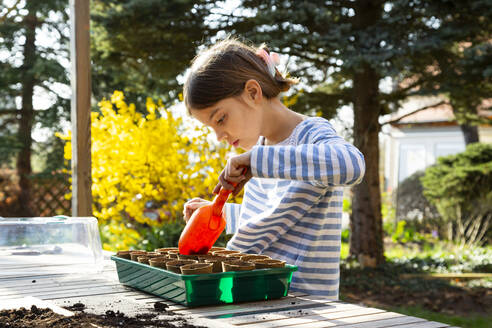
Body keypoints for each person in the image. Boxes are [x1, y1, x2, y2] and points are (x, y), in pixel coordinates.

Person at [182, 37, 365, 298]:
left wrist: (259, 162)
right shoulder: (261, 149)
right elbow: (274, 217)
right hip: (258, 294)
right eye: (212, 128)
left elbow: (353, 164)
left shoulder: (310, 133)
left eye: (221, 118)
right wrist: (220, 215)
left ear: (253, 92)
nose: (219, 136)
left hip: (303, 304)